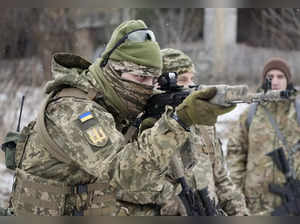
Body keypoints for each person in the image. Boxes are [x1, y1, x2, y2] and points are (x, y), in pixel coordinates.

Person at [4, 20, 233, 216]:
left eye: (152, 80)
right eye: (140, 78)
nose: (146, 89)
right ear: (112, 70)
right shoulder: (74, 110)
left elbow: (146, 182)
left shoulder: (115, 108)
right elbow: (122, 173)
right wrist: (177, 122)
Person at [158, 48, 249, 216]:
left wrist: (239, 212)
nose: (190, 86)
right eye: (183, 80)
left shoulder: (204, 126)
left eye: (192, 79)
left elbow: (221, 180)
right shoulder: (152, 131)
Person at [227, 57, 300, 215]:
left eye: (280, 77)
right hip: (256, 204)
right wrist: (237, 193)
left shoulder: (298, 112)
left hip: (293, 201)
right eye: (270, 77)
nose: (275, 81)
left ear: (288, 80)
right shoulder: (250, 113)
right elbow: (235, 152)